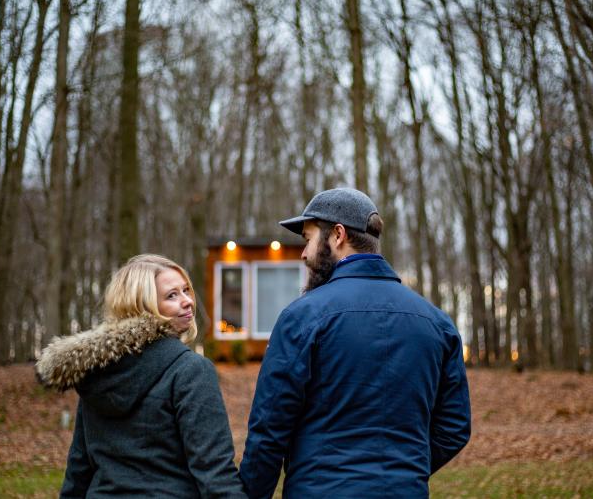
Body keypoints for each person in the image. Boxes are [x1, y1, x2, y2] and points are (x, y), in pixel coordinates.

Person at [239, 188, 471, 499]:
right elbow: (454, 427)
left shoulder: (302, 317)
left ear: (337, 235)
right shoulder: (437, 324)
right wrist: (402, 470)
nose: (304, 253)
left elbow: (269, 430)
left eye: (307, 239)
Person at [36, 254, 246, 498]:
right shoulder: (191, 370)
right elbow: (214, 472)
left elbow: (77, 475)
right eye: (172, 295)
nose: (188, 301)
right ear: (143, 307)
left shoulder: (96, 369)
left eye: (186, 290)